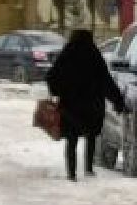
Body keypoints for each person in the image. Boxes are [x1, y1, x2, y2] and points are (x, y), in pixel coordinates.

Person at [44, 29, 125, 181]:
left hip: (70, 106)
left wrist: (57, 91)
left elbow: (51, 76)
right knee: (91, 135)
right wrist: (118, 101)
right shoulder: (94, 55)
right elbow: (106, 81)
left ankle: (72, 173)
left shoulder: (67, 54)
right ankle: (88, 168)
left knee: (72, 139)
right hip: (92, 106)